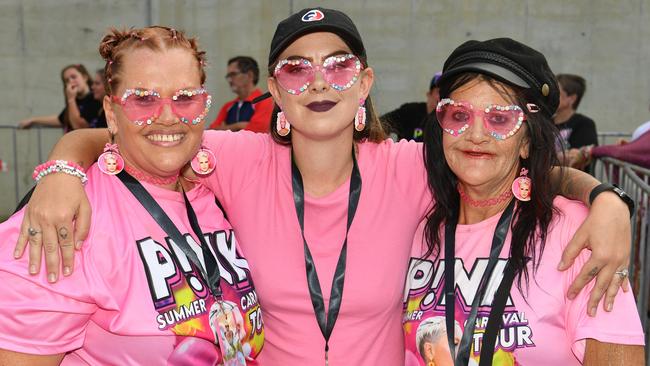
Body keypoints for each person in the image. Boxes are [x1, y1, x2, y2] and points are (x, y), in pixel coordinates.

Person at [14, 8, 634, 365]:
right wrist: (65, 164)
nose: (318, 81)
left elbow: (503, 161)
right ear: (276, 91)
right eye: (296, 67)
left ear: (364, 84)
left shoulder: (413, 165)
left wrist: (608, 202)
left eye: (338, 65)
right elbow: (147, 133)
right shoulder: (234, 157)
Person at [0, 26, 263, 365]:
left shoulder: (212, 191)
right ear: (111, 113)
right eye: (143, 99)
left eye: (185, 98)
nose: (168, 117)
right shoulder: (66, 219)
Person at [403, 38, 644, 365]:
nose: (475, 134)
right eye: (459, 115)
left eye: (499, 119)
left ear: (527, 142)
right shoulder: (418, 225)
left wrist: (607, 200)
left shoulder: (580, 232)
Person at [18, 64, 102, 132]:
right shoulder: (75, 101)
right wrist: (34, 120)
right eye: (67, 80)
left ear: (84, 77)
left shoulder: (95, 98)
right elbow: (61, 119)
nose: (71, 82)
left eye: (74, 77)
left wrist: (71, 99)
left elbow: (79, 126)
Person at [209, 56, 274, 133]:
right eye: (228, 76)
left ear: (250, 75)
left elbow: (258, 131)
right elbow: (211, 131)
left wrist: (225, 128)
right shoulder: (228, 106)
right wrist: (239, 125)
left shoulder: (265, 101)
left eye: (233, 74)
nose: (229, 80)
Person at [554, 74, 598, 170]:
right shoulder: (544, 122)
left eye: (556, 92)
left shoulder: (584, 124)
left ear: (572, 98)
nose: (551, 96)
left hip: (572, 181)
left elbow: (580, 158)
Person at [381, 71, 441, 141]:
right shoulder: (410, 112)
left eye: (446, 93)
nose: (443, 96)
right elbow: (380, 124)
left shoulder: (448, 120)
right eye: (439, 92)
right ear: (429, 94)